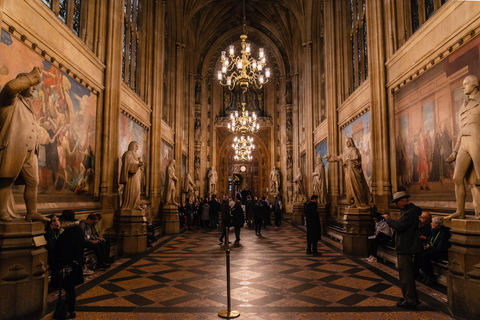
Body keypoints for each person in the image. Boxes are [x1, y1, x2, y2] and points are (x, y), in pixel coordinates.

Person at [0, 67, 49, 222]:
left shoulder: (27, 105)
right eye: (31, 85)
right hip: (13, 148)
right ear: (22, 83)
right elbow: (9, 87)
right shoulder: (10, 99)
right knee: (6, 180)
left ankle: (31, 212)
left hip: (29, 151)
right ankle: (1, 212)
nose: (34, 88)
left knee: (33, 182)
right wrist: (30, 77)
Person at [445, 75, 480, 219]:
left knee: (478, 178)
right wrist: (454, 151)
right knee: (457, 178)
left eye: (466, 84)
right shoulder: (462, 106)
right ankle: (460, 211)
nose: (463, 86)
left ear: (475, 85)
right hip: (464, 142)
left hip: (476, 140)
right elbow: (460, 131)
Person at [381, 191, 422, 308]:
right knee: (406, 274)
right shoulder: (408, 211)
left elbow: (400, 226)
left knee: (406, 275)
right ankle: (411, 297)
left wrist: (388, 219)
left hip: (406, 247)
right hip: (405, 246)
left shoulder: (410, 212)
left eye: (397, 202)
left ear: (402, 201)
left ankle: (410, 300)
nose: (396, 204)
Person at [50, 210, 85, 319]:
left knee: (69, 289)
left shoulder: (68, 233)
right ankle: (71, 309)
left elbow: (62, 250)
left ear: (65, 221)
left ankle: (70, 311)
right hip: (75, 263)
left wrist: (60, 265)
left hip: (67, 266)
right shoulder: (78, 230)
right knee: (71, 289)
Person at [325, 138, 372, 208]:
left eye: (348, 141)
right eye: (346, 142)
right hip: (348, 171)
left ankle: (360, 201)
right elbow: (338, 158)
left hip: (354, 171)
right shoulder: (345, 152)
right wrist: (329, 157)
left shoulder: (354, 150)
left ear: (351, 142)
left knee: (356, 185)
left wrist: (348, 160)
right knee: (349, 186)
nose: (347, 143)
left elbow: (357, 159)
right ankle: (354, 202)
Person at [421, 217, 451, 285]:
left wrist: (430, 247)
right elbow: (432, 241)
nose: (431, 224)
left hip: (441, 253)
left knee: (425, 256)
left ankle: (430, 275)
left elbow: (440, 247)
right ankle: (425, 273)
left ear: (437, 224)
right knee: (420, 251)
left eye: (432, 223)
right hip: (434, 250)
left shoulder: (443, 233)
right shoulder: (435, 231)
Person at [119, 141, 144, 210]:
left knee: (137, 191)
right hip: (131, 177)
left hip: (136, 176)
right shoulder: (128, 154)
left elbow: (135, 164)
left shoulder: (134, 155)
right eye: (136, 146)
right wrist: (138, 164)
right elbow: (129, 165)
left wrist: (140, 164)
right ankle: (129, 206)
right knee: (132, 190)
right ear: (132, 146)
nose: (137, 148)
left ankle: (136, 205)